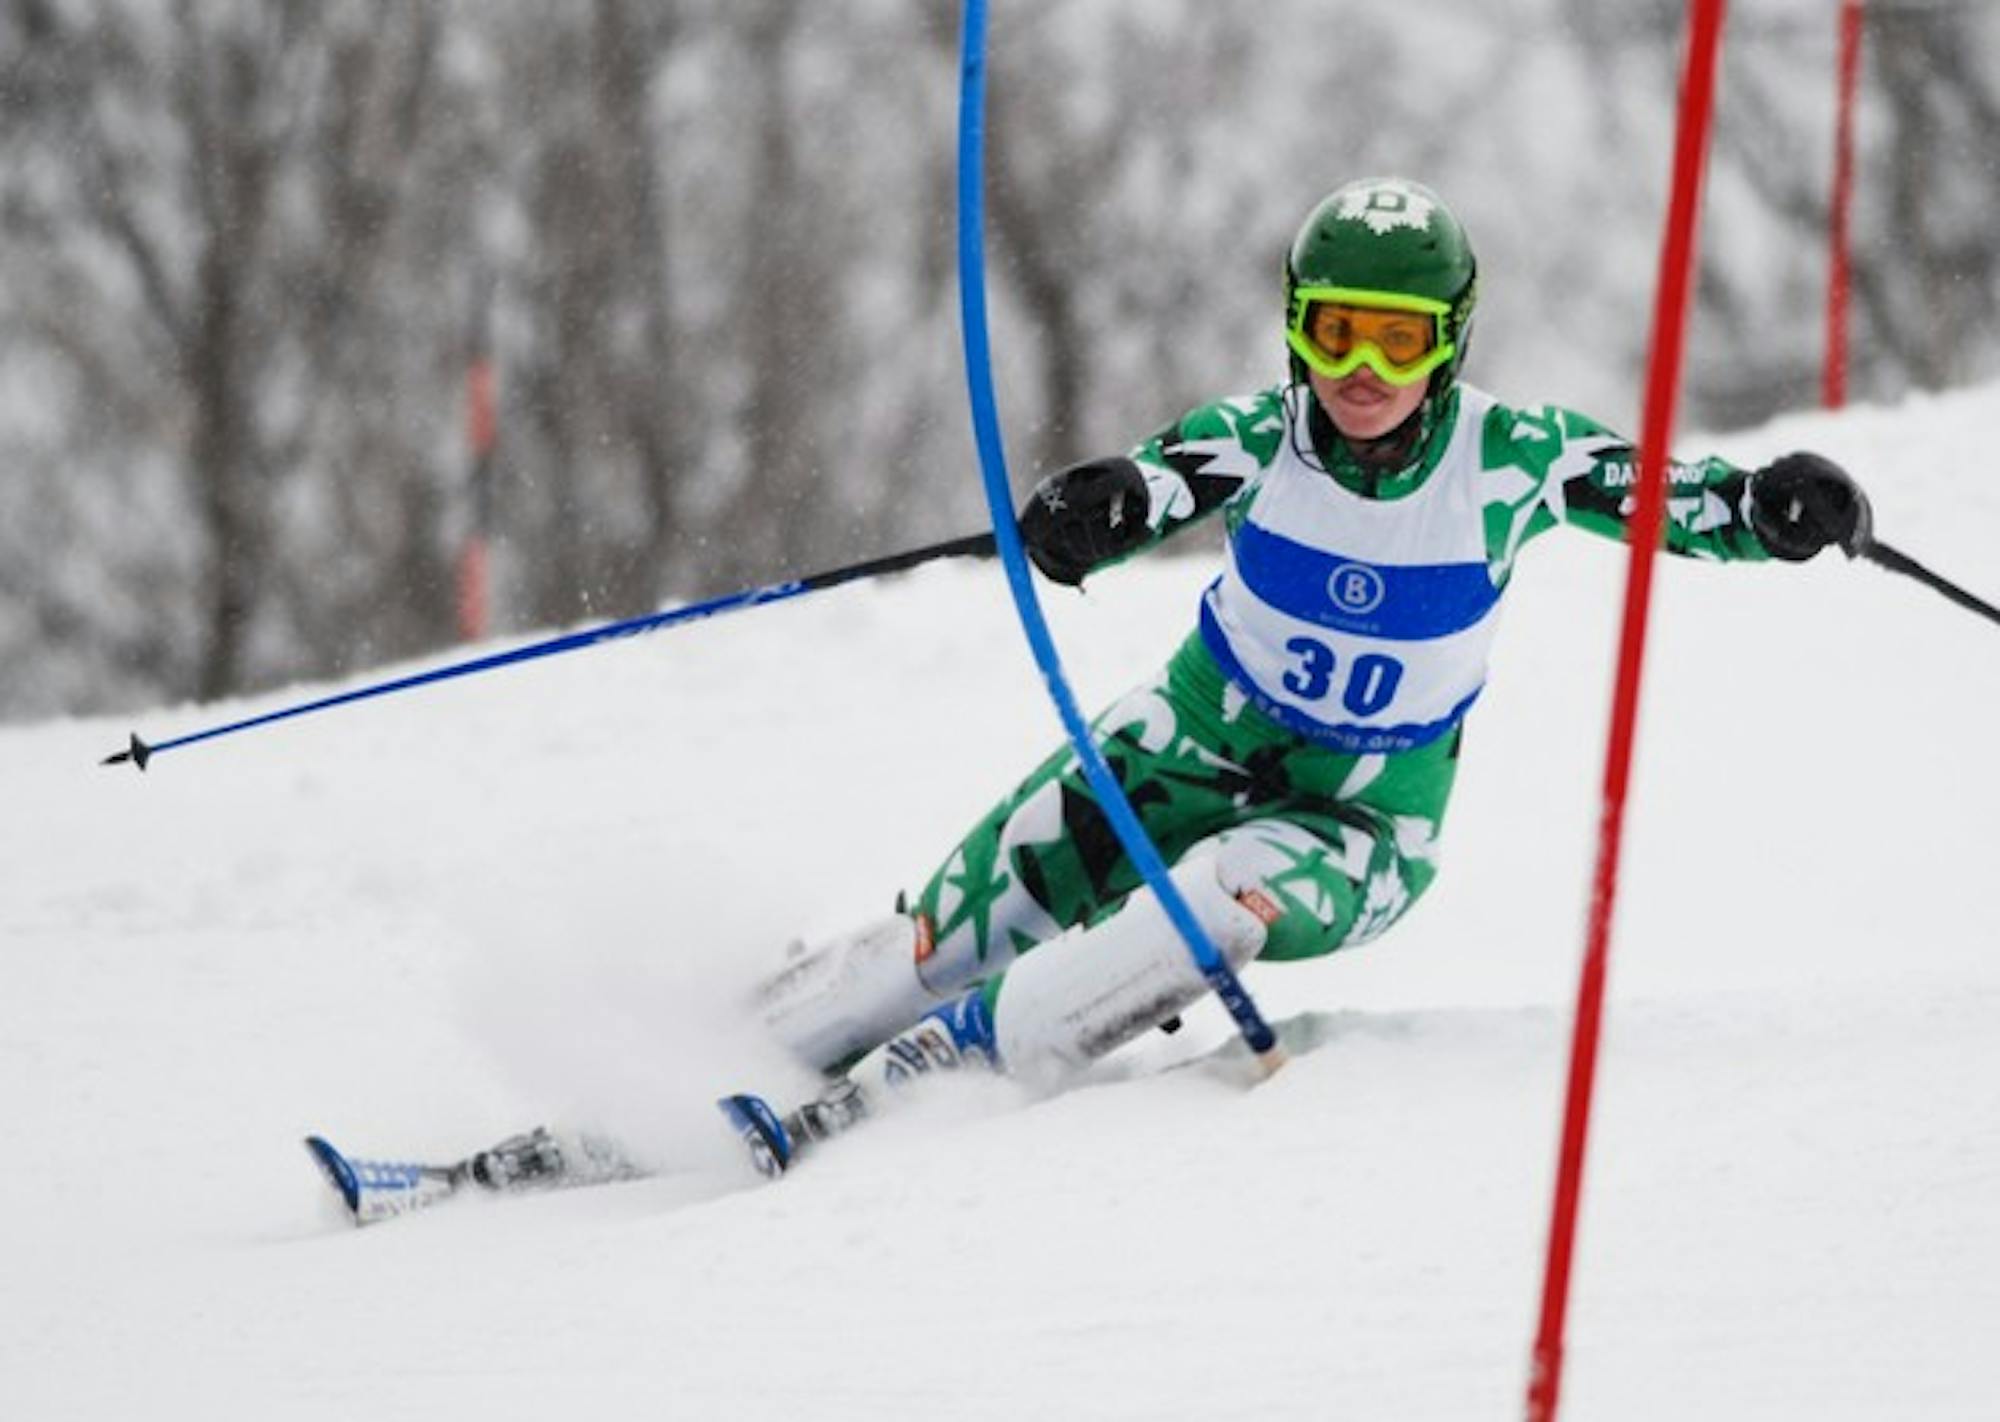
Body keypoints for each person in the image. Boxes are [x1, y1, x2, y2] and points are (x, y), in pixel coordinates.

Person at [714, 174, 1873, 1176]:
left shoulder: (1512, 459)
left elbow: (1673, 500)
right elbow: (1156, 485)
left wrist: (1769, 508)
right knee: (965, 923)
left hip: (1360, 825)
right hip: (1181, 746)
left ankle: (954, 1057)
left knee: (1215, 896)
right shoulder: (1262, 435)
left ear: (1450, 341)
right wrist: (1090, 511)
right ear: (1295, 328)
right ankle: (742, 1040)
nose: (1360, 370)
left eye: (1400, 338)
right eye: (1333, 332)